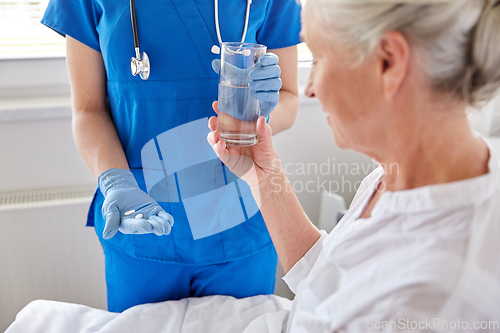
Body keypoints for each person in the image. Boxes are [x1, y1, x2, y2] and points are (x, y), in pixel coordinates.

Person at [8, 0, 500, 332]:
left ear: (389, 63)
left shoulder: (438, 288)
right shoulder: (391, 181)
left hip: (236, 230)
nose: (307, 89)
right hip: (146, 227)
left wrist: (266, 117)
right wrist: (261, 176)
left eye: (321, 59)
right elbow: (331, 277)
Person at [40, 0, 302, 313]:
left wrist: (262, 112)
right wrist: (115, 180)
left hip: (239, 222)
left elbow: (289, 99)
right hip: (140, 221)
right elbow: (88, 110)